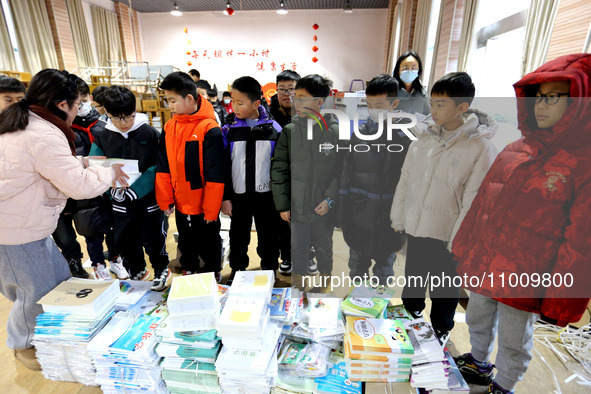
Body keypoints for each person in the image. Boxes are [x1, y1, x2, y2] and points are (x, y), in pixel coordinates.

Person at [452, 54, 591, 394]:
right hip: (488, 261)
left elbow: (581, 239)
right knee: (477, 317)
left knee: (515, 337)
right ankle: (479, 362)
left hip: (526, 274)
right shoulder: (515, 149)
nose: (541, 105)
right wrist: (465, 245)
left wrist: (563, 296)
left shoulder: (582, 162)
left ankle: (505, 384)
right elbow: (483, 204)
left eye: (554, 97)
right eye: (537, 96)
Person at [0, 69, 128, 370]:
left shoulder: (27, 123)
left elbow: (45, 164)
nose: (80, 109)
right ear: (62, 105)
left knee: (51, 281)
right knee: (33, 291)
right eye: (78, 103)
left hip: (24, 223)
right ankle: (24, 343)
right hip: (16, 229)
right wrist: (108, 172)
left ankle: (40, 334)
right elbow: (80, 186)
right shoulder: (42, 132)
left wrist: (84, 162)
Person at [390, 72, 497, 345]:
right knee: (413, 281)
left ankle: (440, 330)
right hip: (417, 226)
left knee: (444, 289)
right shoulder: (423, 137)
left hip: (450, 235)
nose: (433, 110)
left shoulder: (480, 147)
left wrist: (458, 240)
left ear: (462, 107)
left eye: (441, 104)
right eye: (432, 103)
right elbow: (406, 179)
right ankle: (411, 317)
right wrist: (399, 216)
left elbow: (474, 201)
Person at [89, 86, 171, 290]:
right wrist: (111, 190)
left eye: (128, 117)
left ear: (135, 111)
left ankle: (161, 268)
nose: (123, 123)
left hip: (148, 199)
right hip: (119, 200)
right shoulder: (102, 135)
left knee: (153, 236)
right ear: (107, 113)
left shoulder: (149, 132)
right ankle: (136, 271)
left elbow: (158, 165)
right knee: (125, 239)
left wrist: (137, 190)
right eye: (116, 118)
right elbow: (96, 165)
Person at [51, 77, 126, 280]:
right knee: (90, 231)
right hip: (83, 191)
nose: (81, 105)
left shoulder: (103, 124)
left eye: (84, 99)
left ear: (89, 98)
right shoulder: (63, 129)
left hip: (109, 187)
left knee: (113, 229)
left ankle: (116, 259)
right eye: (78, 101)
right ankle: (98, 264)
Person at [337, 75, 410, 285]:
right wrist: (342, 214)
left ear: (394, 104)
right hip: (359, 217)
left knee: (384, 271)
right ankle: (355, 309)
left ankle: (378, 310)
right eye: (369, 105)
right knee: (357, 267)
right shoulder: (359, 134)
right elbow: (345, 175)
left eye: (379, 105)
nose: (373, 110)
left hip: (390, 219)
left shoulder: (405, 137)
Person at [271, 74, 339, 291]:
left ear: (319, 102)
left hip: (323, 208)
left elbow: (340, 171)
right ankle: (298, 286)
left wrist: (330, 199)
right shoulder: (290, 132)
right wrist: (283, 205)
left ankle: (325, 283)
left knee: (324, 247)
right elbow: (279, 169)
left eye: (302, 98)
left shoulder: (334, 132)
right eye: (295, 97)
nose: (296, 102)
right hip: (297, 207)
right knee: (297, 247)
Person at [157, 72, 226, 283]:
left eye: (172, 100)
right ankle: (188, 266)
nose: (170, 106)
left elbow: (216, 173)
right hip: (180, 200)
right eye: (167, 100)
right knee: (185, 238)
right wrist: (165, 198)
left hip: (204, 203)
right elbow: (164, 165)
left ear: (189, 98)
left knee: (209, 239)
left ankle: (212, 269)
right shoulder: (170, 126)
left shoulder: (209, 129)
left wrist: (212, 208)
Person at [221, 76, 282, 284]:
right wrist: (225, 197)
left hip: (267, 197)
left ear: (256, 103)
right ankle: (237, 269)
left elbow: (280, 167)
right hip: (238, 196)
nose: (234, 107)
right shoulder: (229, 130)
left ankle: (269, 269)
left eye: (240, 103)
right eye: (232, 102)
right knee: (238, 236)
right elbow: (224, 166)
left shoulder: (274, 130)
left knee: (268, 236)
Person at [268, 70, 301, 275]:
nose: (286, 93)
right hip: (278, 175)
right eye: (281, 89)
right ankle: (286, 256)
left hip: (302, 176)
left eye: (291, 89)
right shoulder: (269, 114)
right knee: (281, 220)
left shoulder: (308, 113)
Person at [393, 50, 430, 115]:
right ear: (398, 70)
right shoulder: (390, 90)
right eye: (405, 67)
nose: (409, 71)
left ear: (418, 71)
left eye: (413, 68)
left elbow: (427, 114)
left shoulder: (422, 92)